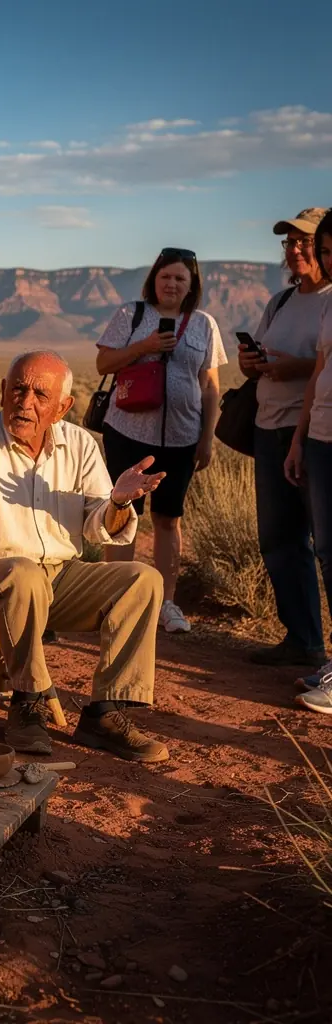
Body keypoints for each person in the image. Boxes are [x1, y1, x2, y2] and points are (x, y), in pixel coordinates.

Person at [0, 350, 169, 763]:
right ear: (3, 390)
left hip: (55, 578)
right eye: (18, 389)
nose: (25, 402)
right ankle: (27, 701)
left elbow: (98, 525)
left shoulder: (80, 445)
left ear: (63, 407)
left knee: (142, 579)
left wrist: (117, 502)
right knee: (22, 574)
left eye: (40, 395)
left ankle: (106, 713)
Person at [94, 248, 226, 634]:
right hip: (127, 433)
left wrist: (206, 439)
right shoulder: (131, 315)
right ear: (154, 279)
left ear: (191, 284)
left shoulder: (204, 324)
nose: (171, 284)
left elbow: (211, 386)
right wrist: (144, 346)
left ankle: (166, 602)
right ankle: (117, 598)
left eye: (180, 278)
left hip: (182, 438)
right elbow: (103, 364)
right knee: (123, 514)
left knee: (169, 519)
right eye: (165, 276)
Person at [240, 207, 332, 668]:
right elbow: (257, 363)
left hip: (315, 434)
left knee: (325, 545)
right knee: (278, 540)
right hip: (269, 428)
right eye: (289, 242)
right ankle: (302, 641)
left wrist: (292, 366)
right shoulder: (280, 301)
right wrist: (251, 364)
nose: (295, 250)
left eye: (305, 241)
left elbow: (323, 365)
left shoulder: (331, 299)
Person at [285, 209, 332, 713]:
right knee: (327, 553)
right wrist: (300, 437)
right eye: (326, 252)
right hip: (320, 438)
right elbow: (320, 373)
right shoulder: (329, 305)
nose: (328, 260)